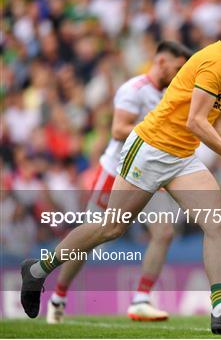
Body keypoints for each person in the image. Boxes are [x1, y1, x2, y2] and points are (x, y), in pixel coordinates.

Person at [21, 2, 221, 334]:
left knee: (217, 222)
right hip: (150, 150)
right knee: (110, 228)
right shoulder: (214, 62)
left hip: (182, 157)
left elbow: (216, 121)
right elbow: (196, 122)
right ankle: (38, 270)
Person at [46, 41, 192, 324]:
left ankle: (141, 299)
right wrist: (156, 133)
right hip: (115, 173)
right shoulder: (133, 90)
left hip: (149, 174)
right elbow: (118, 130)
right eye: (177, 68)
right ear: (161, 61)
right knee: (89, 240)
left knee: (163, 232)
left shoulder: (169, 95)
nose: (179, 74)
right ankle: (58, 296)